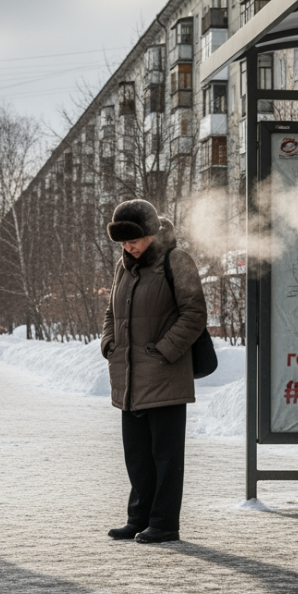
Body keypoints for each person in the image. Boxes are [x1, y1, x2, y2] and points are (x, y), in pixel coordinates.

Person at [100, 200, 207, 544]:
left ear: (150, 234)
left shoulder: (176, 261)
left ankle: (164, 522)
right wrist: (109, 343)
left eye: (134, 240)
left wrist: (164, 351)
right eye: (123, 242)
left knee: (166, 456)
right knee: (137, 455)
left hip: (164, 377)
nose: (128, 247)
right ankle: (139, 517)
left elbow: (194, 314)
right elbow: (110, 312)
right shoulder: (123, 267)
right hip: (129, 379)